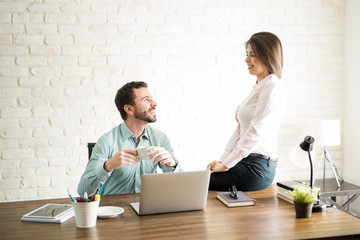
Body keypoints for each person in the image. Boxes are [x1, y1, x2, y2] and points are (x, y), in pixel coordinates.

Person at [207, 32, 287, 191]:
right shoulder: (260, 86)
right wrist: (222, 161)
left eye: (253, 55)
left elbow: (255, 132)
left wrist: (227, 164)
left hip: (257, 168)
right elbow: (239, 131)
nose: (246, 59)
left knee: (200, 183)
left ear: (267, 56)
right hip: (246, 161)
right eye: (247, 54)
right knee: (203, 178)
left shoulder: (272, 87)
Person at [78, 81, 180, 196]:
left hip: (147, 209)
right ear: (129, 109)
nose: (155, 103)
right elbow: (83, 191)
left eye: (152, 98)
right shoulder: (106, 141)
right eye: (146, 100)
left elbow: (181, 186)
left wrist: (172, 165)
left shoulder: (160, 138)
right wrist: (108, 166)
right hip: (115, 210)